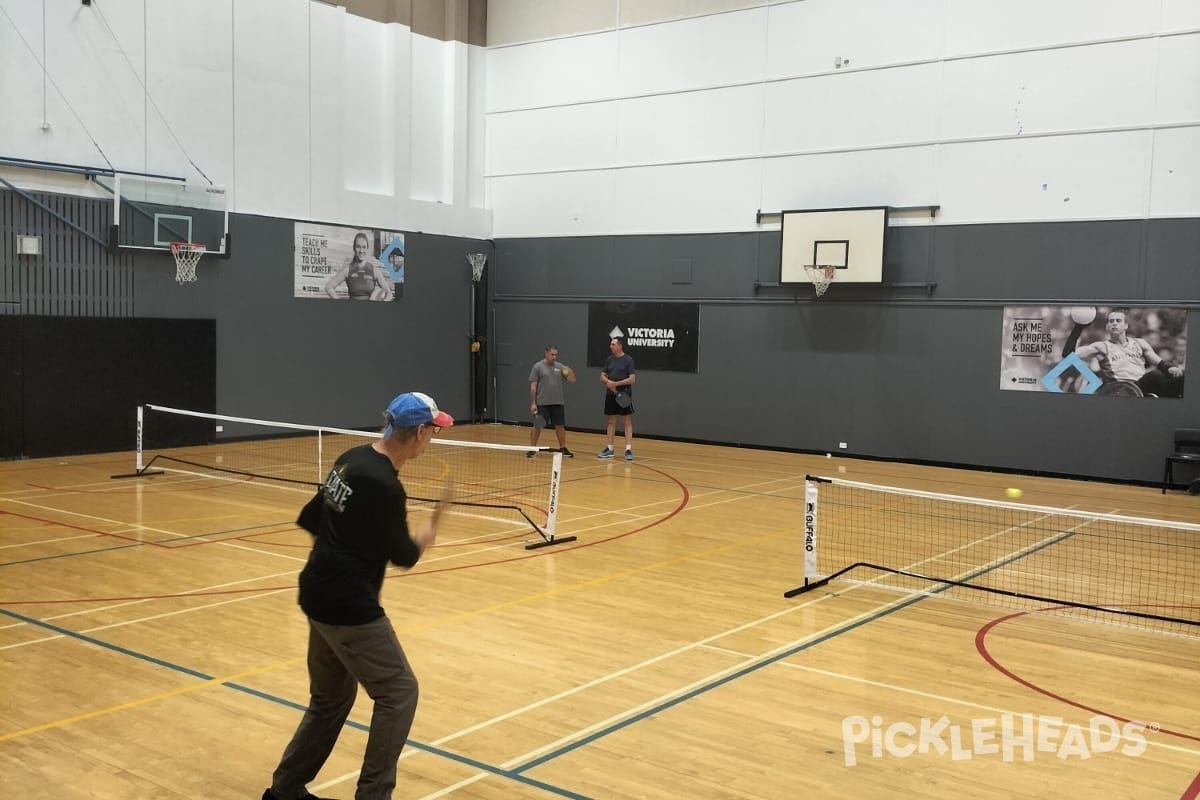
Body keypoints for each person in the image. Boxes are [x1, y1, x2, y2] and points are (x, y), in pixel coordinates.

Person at [262, 391, 454, 800]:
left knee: (331, 698)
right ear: (418, 432)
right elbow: (403, 556)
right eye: (433, 432)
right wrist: (421, 540)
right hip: (348, 607)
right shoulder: (384, 485)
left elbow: (312, 517)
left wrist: (348, 545)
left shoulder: (350, 458)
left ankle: (284, 791)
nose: (433, 439)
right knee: (399, 693)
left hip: (316, 592)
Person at [1064, 308, 1185, 397]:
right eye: (1111, 321)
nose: (1114, 323)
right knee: (1154, 376)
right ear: (1107, 327)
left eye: (1118, 320)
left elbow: (1160, 363)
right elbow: (1067, 355)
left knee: (1180, 378)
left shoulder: (1140, 343)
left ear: (1126, 325)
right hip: (1117, 389)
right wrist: (1078, 328)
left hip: (1141, 387)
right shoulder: (1101, 347)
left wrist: (1171, 369)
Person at [527, 345, 577, 458]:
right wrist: (533, 403)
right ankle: (532, 448)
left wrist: (569, 370)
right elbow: (533, 386)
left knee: (560, 426)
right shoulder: (538, 367)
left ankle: (563, 448)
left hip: (557, 403)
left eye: (556, 355)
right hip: (542, 403)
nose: (554, 357)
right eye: (552, 354)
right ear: (546, 353)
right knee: (538, 426)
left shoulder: (559, 367)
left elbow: (572, 379)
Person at [324, 232, 394, 301]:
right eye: (358, 247)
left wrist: (385, 301)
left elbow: (389, 293)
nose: (361, 250)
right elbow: (329, 287)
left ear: (367, 249)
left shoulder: (374, 270)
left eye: (364, 247)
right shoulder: (347, 269)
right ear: (354, 248)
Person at [598, 337, 636, 461]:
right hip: (610, 395)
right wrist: (608, 381)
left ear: (620, 346)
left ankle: (628, 449)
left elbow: (632, 379)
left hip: (624, 394)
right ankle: (609, 448)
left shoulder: (628, 360)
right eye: (610, 344)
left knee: (627, 422)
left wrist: (616, 384)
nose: (611, 346)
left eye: (613, 344)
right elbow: (602, 375)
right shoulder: (609, 360)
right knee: (611, 421)